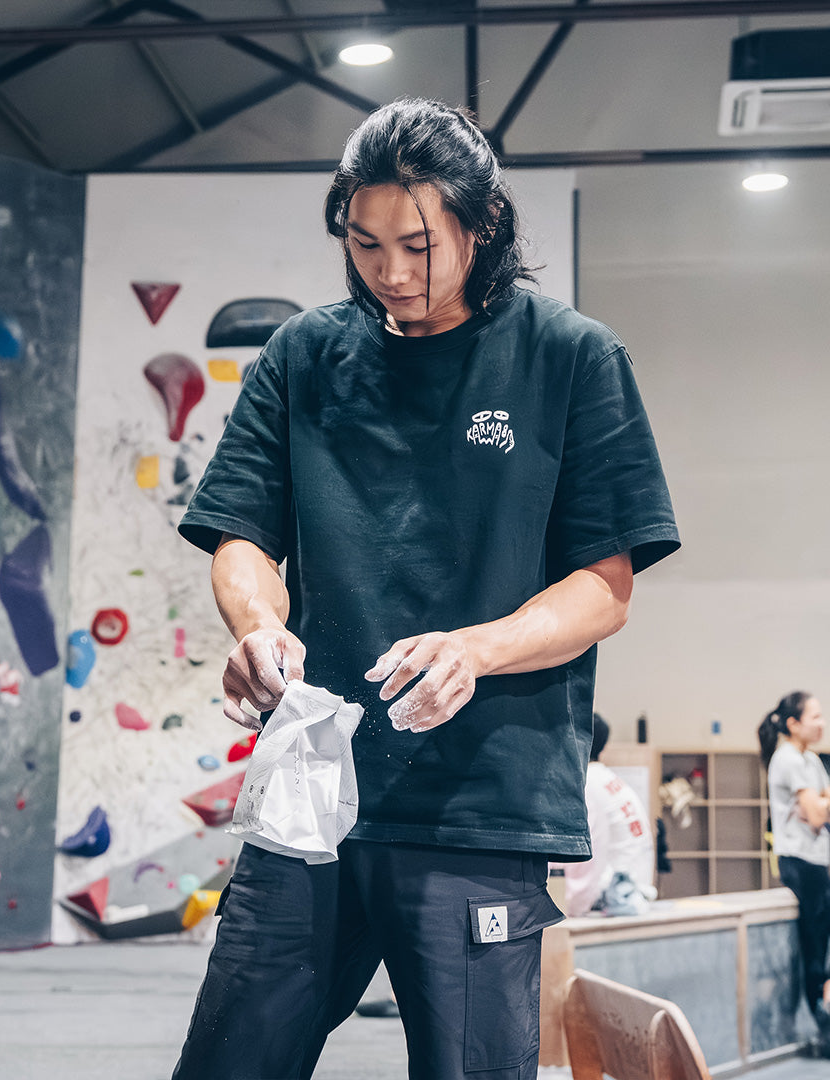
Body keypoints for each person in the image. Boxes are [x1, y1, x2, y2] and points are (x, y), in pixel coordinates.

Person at [174, 97, 680, 1080]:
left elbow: (604, 587)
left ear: (480, 225)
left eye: (417, 244)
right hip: (310, 786)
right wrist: (259, 628)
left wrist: (476, 648)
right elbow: (240, 537)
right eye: (364, 245)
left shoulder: (570, 358)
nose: (392, 275)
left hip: (479, 799)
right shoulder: (303, 358)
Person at [759, 691, 830, 1054]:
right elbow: (817, 814)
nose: (821, 723)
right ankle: (821, 1031)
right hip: (801, 863)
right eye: (815, 717)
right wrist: (818, 805)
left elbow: (818, 808)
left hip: (819, 861)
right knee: (815, 951)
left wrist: (818, 804)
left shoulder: (812, 761)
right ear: (793, 724)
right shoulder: (787, 760)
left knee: (823, 948)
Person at [562, 713, 656, 917]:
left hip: (617, 900)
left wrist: (573, 912)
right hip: (633, 892)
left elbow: (587, 853)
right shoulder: (607, 779)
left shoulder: (586, 785)